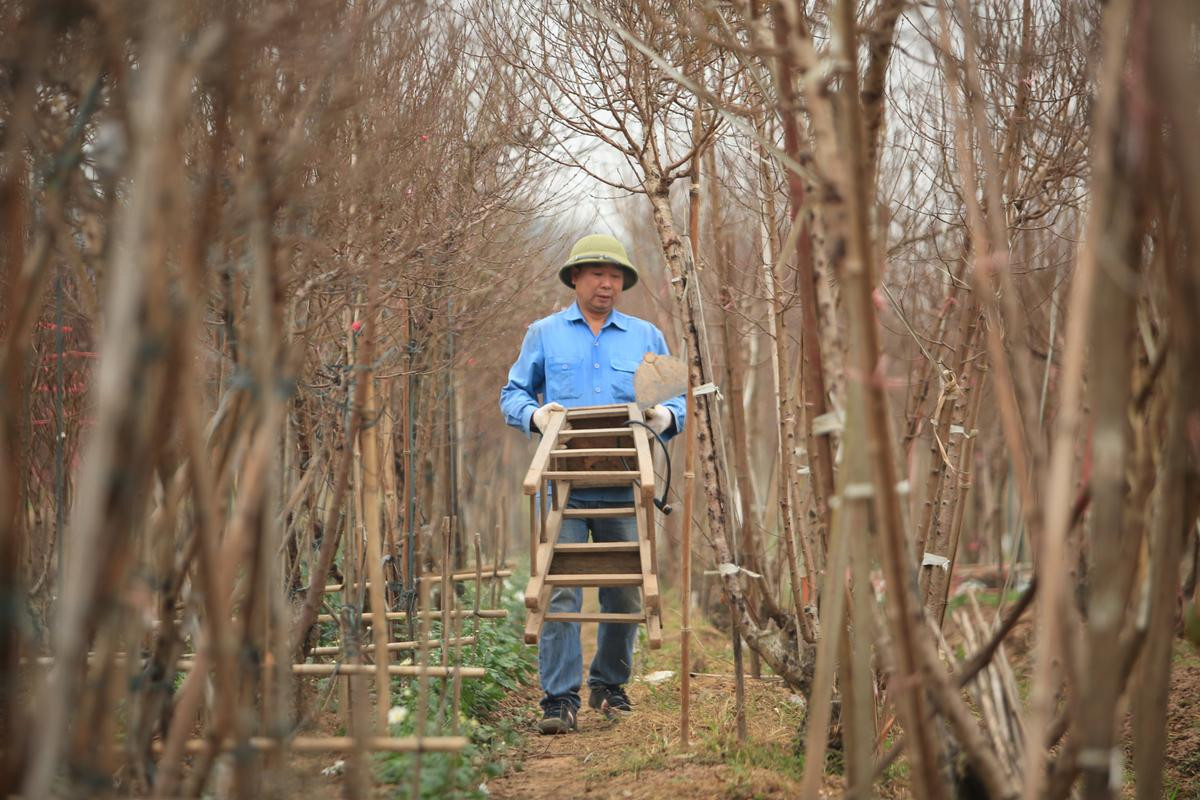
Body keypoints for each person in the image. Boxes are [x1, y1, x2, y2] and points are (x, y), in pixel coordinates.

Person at [499, 233, 686, 734]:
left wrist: (663, 416)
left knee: (624, 593)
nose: (608, 283)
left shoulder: (646, 336)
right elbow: (512, 393)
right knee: (559, 592)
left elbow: (678, 401)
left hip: (627, 485)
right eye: (597, 274)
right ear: (575, 278)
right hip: (564, 484)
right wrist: (535, 415)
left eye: (616, 275)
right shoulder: (544, 333)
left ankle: (609, 685)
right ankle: (559, 700)